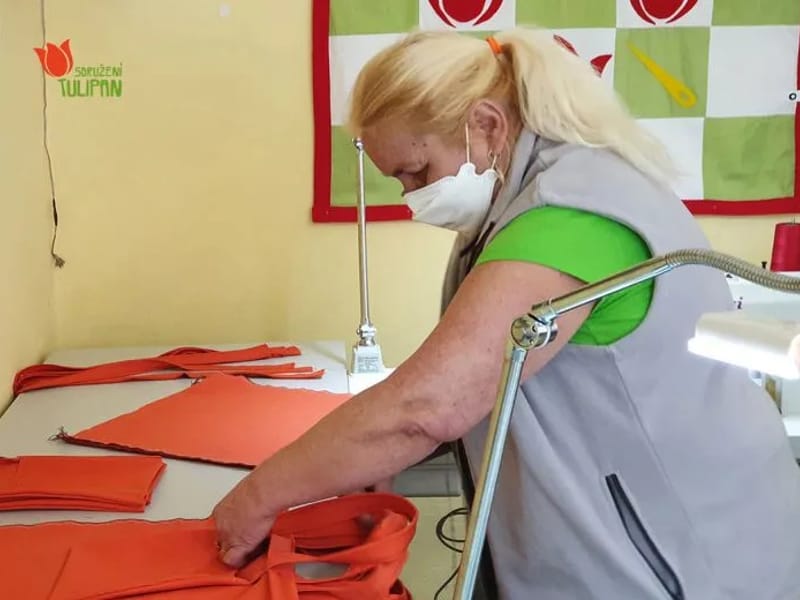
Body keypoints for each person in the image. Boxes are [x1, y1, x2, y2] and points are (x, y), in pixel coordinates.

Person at [212, 27, 800, 599]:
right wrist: (367, 457)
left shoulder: (571, 217)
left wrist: (258, 497)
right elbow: (463, 389)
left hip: (686, 560)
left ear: (487, 126)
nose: (409, 195)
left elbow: (427, 406)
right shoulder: (519, 205)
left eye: (416, 172)